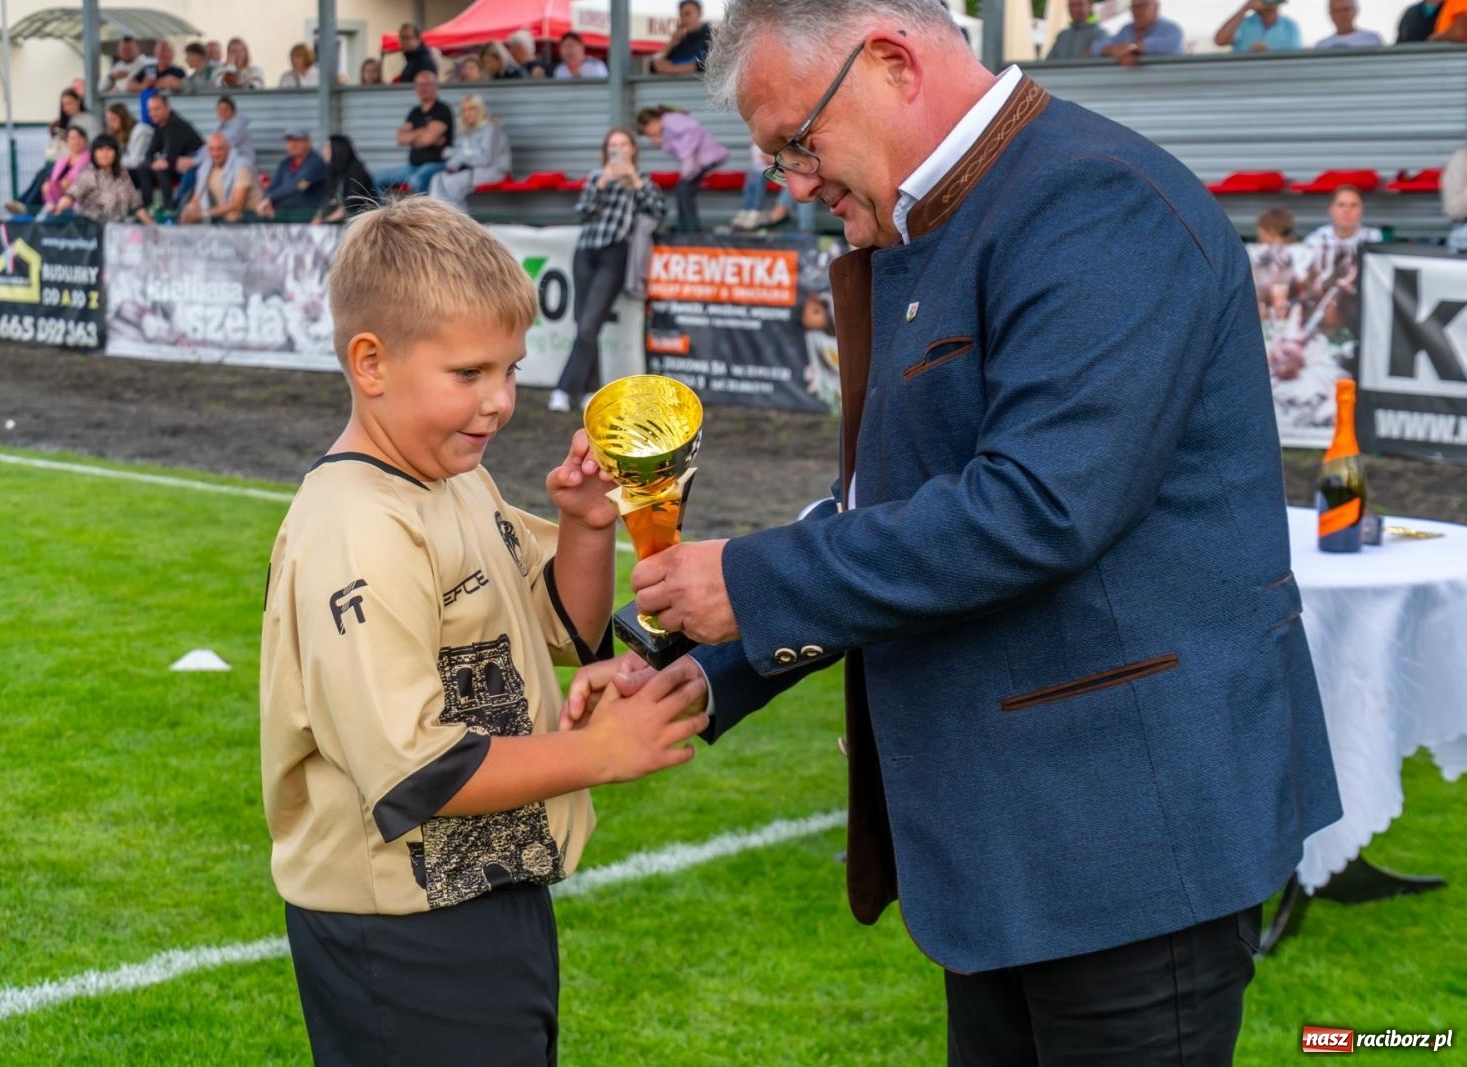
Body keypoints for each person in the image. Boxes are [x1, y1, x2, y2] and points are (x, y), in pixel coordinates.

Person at [566, 3, 1342, 1063]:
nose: (793, 181)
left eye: (798, 142)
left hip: (1125, 846)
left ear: (890, 61)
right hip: (1016, 850)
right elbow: (887, 513)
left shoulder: (1089, 200)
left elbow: (1037, 506)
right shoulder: (940, 221)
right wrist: (707, 670)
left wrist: (750, 578)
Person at [261, 195, 707, 1065]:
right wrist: (599, 754)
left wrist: (585, 526)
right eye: (469, 374)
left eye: (510, 368)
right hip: (399, 929)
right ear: (371, 362)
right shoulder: (356, 526)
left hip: (491, 884)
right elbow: (415, 770)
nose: (500, 400)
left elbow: (564, 627)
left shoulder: (454, 479)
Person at [549, 129, 667, 413]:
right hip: (586, 252)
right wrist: (601, 184)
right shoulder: (595, 176)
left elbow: (659, 212)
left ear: (632, 149)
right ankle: (592, 389)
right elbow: (582, 213)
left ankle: (564, 389)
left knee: (589, 325)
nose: (618, 150)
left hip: (615, 253)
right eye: (613, 145)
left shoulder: (644, 181)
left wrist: (634, 182)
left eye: (623, 144)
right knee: (585, 326)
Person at [637, 105, 728, 235]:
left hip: (706, 158)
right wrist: (663, 144)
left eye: (647, 132)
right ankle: (686, 226)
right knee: (683, 190)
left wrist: (687, 154)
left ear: (652, 122)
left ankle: (690, 228)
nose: (649, 136)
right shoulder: (668, 129)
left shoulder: (669, 119)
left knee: (684, 189)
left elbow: (693, 129)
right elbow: (677, 149)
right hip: (700, 162)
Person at [372, 71, 453, 193]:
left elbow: (427, 139)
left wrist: (414, 137)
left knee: (415, 181)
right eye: (419, 85)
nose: (422, 88)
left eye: (426, 84)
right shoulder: (414, 112)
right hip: (413, 166)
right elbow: (401, 138)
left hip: (437, 165)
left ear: (435, 86)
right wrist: (423, 132)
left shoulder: (442, 110)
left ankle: (421, 212)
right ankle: (386, 211)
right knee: (375, 178)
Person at [429, 95, 512, 209]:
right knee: (437, 179)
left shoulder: (491, 129)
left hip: (491, 171)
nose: (467, 113)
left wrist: (460, 157)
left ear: (480, 110)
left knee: (452, 183)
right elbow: (459, 153)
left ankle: (458, 220)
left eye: (471, 109)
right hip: (471, 170)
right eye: (464, 110)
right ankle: (438, 217)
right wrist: (452, 160)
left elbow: (485, 158)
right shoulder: (467, 131)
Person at [51, 134, 153, 223]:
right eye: (100, 150)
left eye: (109, 149)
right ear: (94, 153)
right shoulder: (88, 174)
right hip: (91, 230)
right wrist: (58, 208)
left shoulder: (123, 174)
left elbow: (136, 205)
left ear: (115, 153)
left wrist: (153, 227)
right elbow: (71, 195)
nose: (105, 154)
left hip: (116, 229)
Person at [180, 131, 266, 224]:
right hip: (224, 216)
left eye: (219, 149)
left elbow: (238, 204)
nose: (215, 154)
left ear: (228, 149)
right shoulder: (205, 169)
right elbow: (196, 198)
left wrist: (205, 213)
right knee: (187, 217)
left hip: (253, 217)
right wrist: (189, 210)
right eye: (211, 149)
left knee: (232, 215)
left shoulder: (242, 167)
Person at [140, 93, 204, 212]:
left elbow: (169, 158)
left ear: (167, 108)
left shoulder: (175, 124)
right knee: (143, 168)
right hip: (175, 165)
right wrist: (152, 163)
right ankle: (147, 208)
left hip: (192, 167)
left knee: (161, 169)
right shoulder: (159, 126)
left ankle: (169, 209)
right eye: (150, 110)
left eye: (157, 109)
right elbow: (149, 154)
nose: (152, 113)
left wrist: (156, 163)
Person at [266, 128, 331, 217]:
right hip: (285, 213)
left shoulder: (316, 163)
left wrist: (270, 198)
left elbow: (297, 186)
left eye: (298, 140)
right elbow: (274, 187)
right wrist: (266, 199)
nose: (293, 144)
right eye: (290, 141)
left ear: (308, 142)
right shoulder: (285, 163)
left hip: (310, 215)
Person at [1095, 0, 1186, 64]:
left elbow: (1169, 46)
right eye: (1133, 7)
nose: (1137, 12)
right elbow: (1097, 47)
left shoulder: (1171, 29)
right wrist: (1114, 50)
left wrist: (1131, 50)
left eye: (1142, 6)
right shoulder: (1127, 30)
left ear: (1156, 7)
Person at [313, 134, 378, 223]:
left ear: (338, 149)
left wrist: (325, 221)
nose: (323, 152)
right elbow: (328, 197)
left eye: (327, 148)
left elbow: (351, 202)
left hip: (364, 223)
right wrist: (318, 216)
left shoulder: (356, 171)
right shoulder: (334, 171)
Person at [1303, 184, 1382, 255]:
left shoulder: (1374, 239)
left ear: (1362, 210)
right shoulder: (1315, 240)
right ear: (1331, 209)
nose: (1347, 210)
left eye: (1353, 205)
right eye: (1341, 205)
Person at [1214, 0, 1304, 52]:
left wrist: (1268, 52)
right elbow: (1220, 41)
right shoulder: (1243, 24)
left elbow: (1294, 56)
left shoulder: (1290, 27)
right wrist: (1244, 9)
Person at [652, 0, 714, 73]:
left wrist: (672, 69)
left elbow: (709, 65)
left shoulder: (712, 37)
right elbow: (653, 66)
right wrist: (671, 43)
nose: (684, 18)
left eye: (687, 14)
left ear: (699, 14)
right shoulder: (679, 40)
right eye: (681, 15)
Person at [1316, 0, 1384, 44]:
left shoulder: (1372, 40)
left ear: (1356, 10)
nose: (1341, 15)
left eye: (1345, 10)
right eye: (1336, 11)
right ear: (1330, 14)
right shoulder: (1322, 45)